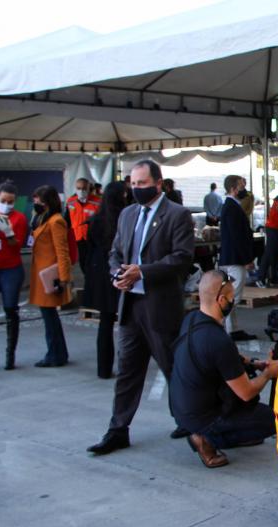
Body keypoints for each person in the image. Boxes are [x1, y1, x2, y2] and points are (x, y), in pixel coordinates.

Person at [87, 160, 195, 456]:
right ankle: (117, 429)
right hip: (130, 305)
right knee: (128, 371)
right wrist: (117, 275)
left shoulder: (177, 215)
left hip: (159, 306)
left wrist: (143, 271)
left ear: (158, 183)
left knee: (173, 367)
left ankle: (188, 420)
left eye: (142, 184)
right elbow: (115, 253)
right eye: (132, 185)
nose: (136, 189)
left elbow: (182, 258)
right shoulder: (127, 214)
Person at [170, 270, 278, 468]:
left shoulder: (192, 319)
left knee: (247, 377)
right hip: (203, 417)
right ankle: (207, 439)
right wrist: (269, 373)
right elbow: (246, 393)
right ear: (221, 300)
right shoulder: (218, 340)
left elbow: (217, 360)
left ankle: (216, 431)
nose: (233, 302)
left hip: (182, 409)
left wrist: (255, 363)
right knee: (274, 421)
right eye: (231, 298)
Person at [83, 182, 131, 379]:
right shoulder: (126, 219)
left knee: (105, 320)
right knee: (128, 321)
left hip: (100, 273)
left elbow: (89, 246)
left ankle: (103, 369)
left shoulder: (95, 220)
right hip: (122, 270)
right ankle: (128, 366)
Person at [0, 183, 28, 370]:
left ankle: (10, 355)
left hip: (11, 269)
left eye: (10, 202)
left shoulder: (19, 218)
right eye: (3, 201)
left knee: (11, 311)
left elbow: (18, 245)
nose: (7, 205)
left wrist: (8, 232)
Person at [29, 185, 73, 368]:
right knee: (49, 317)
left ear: (46, 202)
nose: (35, 202)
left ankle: (55, 354)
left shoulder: (55, 221)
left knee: (50, 317)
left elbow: (62, 252)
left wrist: (63, 279)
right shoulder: (42, 219)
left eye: (37, 199)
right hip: (42, 275)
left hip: (49, 277)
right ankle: (57, 352)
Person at [218, 175, 256, 341]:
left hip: (232, 257)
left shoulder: (232, 206)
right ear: (233, 188)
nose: (244, 189)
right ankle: (222, 326)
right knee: (233, 296)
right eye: (241, 186)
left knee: (232, 294)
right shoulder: (231, 208)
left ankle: (232, 329)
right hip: (234, 258)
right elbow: (237, 236)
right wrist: (247, 258)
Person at [66, 178, 101, 268]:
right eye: (78, 188)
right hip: (77, 236)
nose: (81, 191)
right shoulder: (71, 202)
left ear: (89, 188)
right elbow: (67, 219)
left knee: (93, 261)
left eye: (84, 188)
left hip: (92, 237)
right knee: (82, 261)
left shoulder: (97, 202)